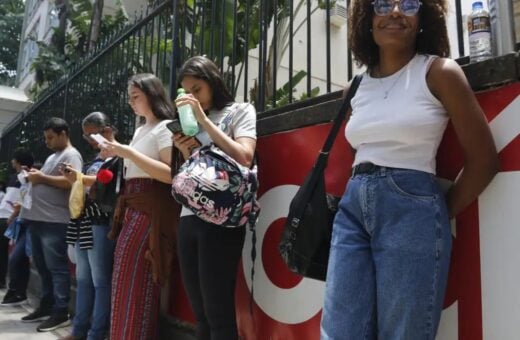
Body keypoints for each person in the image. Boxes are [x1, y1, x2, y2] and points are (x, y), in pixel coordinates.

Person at [320, 1, 499, 339]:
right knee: (339, 332)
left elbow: (484, 161)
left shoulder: (439, 72)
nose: (396, 12)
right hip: (352, 209)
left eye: (410, 4)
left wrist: (431, 213)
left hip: (412, 208)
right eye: (383, 4)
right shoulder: (354, 88)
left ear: (423, 19)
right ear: (367, 20)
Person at [173, 56, 257, 340]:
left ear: (213, 82)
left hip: (223, 220)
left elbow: (245, 156)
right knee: (201, 315)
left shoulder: (240, 111)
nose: (192, 97)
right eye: (186, 92)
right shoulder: (189, 124)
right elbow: (198, 170)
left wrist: (204, 121)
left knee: (218, 313)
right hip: (188, 217)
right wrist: (187, 150)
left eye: (197, 89)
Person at [101, 73, 180, 340]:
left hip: (151, 209)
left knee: (136, 280)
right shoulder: (139, 130)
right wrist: (117, 153)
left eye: (136, 96)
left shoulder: (166, 127)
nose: (131, 102)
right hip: (132, 206)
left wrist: (128, 152)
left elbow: (172, 174)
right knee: (123, 279)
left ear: (152, 95)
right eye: (130, 97)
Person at [19, 117, 83, 332]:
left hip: (55, 221)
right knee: (44, 268)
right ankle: (46, 306)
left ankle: (60, 311)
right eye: (46, 138)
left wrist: (42, 178)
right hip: (40, 220)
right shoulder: (54, 156)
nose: (47, 141)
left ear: (63, 133)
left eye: (51, 137)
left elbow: (72, 182)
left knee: (56, 268)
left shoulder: (71, 155)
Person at [59, 112, 117, 340]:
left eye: (93, 134)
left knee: (100, 281)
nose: (91, 140)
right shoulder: (95, 157)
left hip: (101, 222)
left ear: (107, 129)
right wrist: (77, 178)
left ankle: (96, 333)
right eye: (87, 136)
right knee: (83, 280)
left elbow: (110, 182)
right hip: (84, 221)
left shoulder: (118, 153)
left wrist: (80, 177)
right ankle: (80, 330)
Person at [0, 148, 34, 306]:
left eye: (14, 159)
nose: (12, 162)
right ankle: (16, 290)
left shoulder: (24, 177)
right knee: (15, 257)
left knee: (16, 257)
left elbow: (21, 199)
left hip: (15, 219)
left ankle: (17, 290)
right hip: (13, 218)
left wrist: (13, 215)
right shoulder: (16, 177)